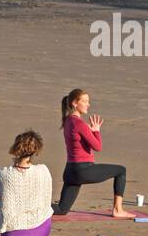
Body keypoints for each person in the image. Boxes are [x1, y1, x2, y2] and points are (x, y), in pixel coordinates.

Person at [52, 89, 131, 217]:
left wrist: (91, 130)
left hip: (70, 171)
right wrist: (96, 130)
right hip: (82, 170)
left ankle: (33, 208)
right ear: (74, 103)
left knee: (62, 209)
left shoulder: (67, 121)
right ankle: (118, 210)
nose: (88, 104)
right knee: (121, 171)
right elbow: (97, 146)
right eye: (85, 101)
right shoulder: (79, 123)